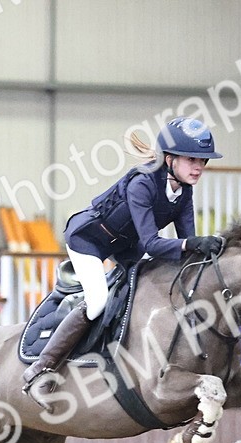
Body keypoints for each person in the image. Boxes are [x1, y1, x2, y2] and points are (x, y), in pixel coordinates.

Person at [21, 117, 225, 410]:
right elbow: (154, 244)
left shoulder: (184, 190)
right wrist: (190, 244)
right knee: (97, 302)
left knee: (142, 295)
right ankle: (40, 370)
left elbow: (187, 244)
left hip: (127, 246)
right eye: (192, 159)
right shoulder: (142, 183)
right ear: (169, 159)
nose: (198, 167)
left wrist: (211, 250)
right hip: (90, 240)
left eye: (203, 161)